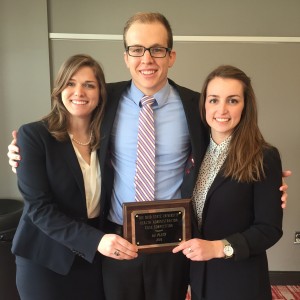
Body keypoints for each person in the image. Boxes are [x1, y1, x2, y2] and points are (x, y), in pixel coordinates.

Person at [7, 12, 290, 300]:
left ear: (171, 56)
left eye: (157, 49)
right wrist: (20, 151)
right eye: (137, 50)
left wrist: (266, 181)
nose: (147, 59)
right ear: (126, 57)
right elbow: (63, 129)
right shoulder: (104, 100)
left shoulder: (198, 106)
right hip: (116, 237)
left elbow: (228, 149)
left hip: (173, 241)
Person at [11, 54, 137, 300]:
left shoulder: (108, 139)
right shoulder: (34, 136)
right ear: (59, 89)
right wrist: (95, 241)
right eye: (70, 83)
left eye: (89, 85)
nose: (79, 91)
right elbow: (39, 209)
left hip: (93, 259)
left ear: (100, 92)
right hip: (45, 258)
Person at [173, 65, 284, 300]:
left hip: (240, 281)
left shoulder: (263, 156)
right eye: (213, 100)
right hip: (200, 278)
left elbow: (269, 229)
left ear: (246, 106)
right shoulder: (196, 152)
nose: (221, 109)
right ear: (204, 104)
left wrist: (217, 248)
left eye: (232, 101)